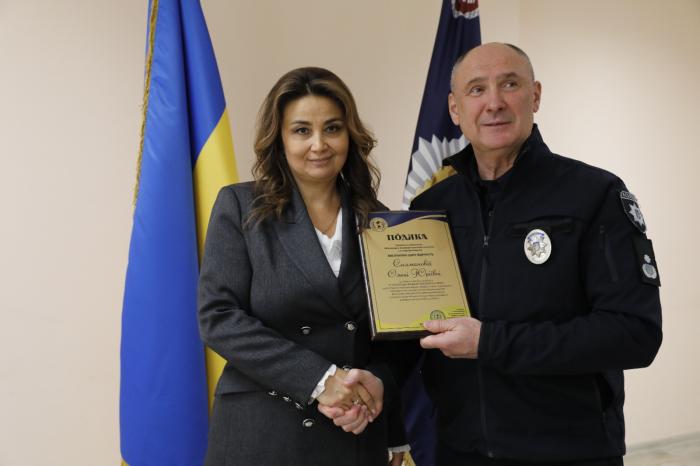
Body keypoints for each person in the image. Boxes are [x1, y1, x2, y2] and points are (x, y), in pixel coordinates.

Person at [391, 43, 663, 465]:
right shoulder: (431, 208)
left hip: (569, 452)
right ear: (455, 108)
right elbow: (414, 328)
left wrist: (490, 342)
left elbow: (634, 334)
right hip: (459, 451)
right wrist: (370, 381)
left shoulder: (595, 194)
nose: (494, 102)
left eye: (510, 84)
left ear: (535, 96)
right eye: (476, 89)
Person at [198, 67, 405, 465]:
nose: (319, 144)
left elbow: (394, 339)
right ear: (279, 138)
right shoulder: (240, 207)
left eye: (332, 128)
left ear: (350, 135)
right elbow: (219, 318)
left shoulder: (380, 220)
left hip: (352, 430)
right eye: (301, 130)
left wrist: (383, 405)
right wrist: (320, 380)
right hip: (263, 433)